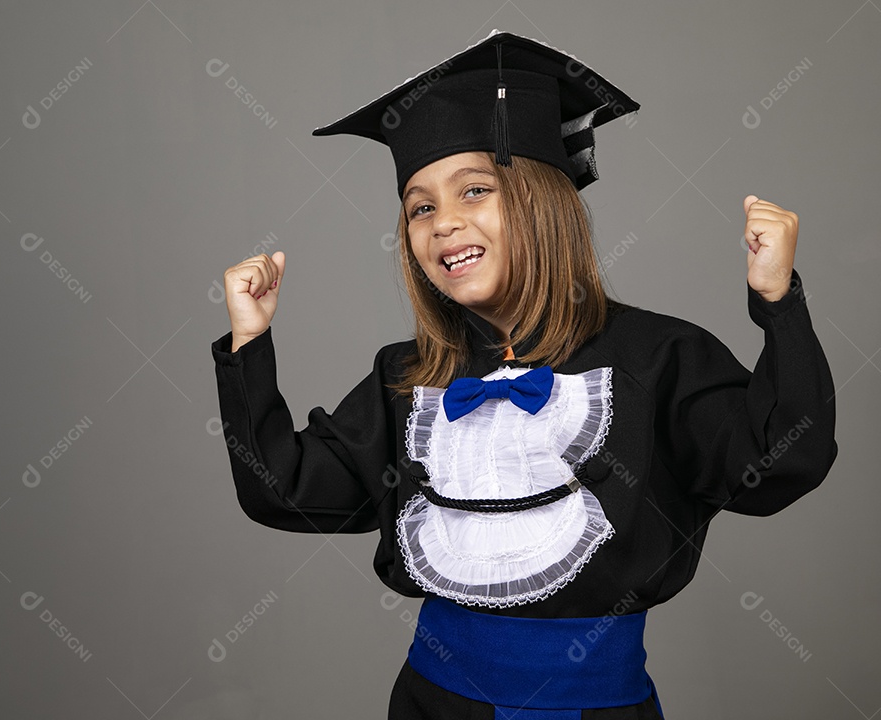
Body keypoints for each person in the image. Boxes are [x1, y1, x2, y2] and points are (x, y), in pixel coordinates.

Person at [211, 29, 839, 720]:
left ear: (543, 199)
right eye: (421, 207)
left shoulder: (659, 357)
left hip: (591, 707)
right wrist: (250, 340)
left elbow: (782, 463)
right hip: (430, 703)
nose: (443, 223)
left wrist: (779, 305)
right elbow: (285, 489)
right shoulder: (409, 377)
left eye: (473, 190)